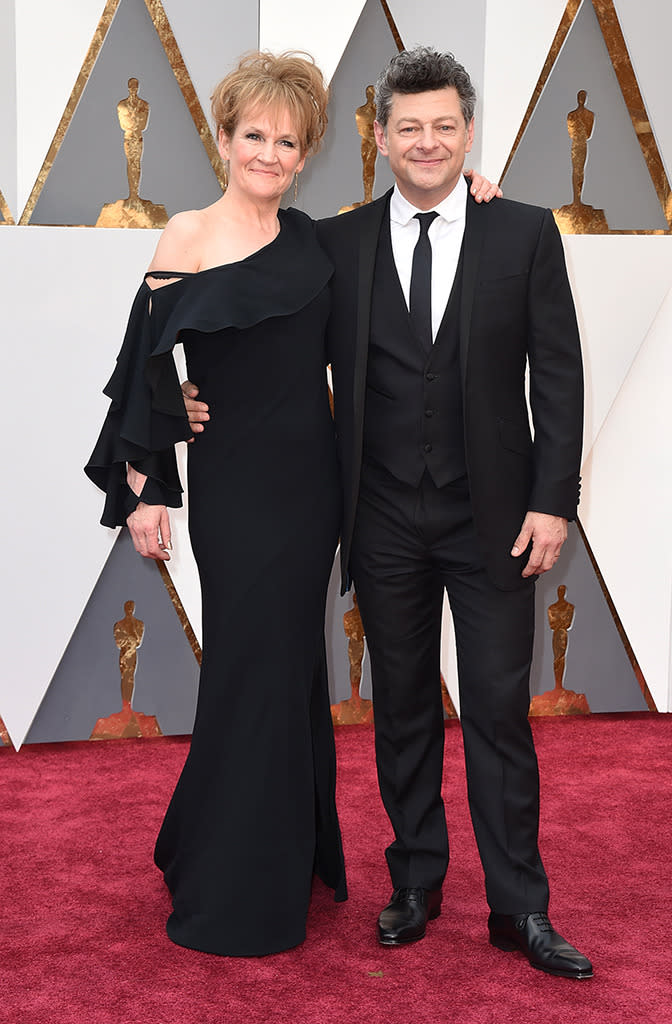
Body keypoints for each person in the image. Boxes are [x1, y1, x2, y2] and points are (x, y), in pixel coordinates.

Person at [185, 47, 591, 979]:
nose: (427, 140)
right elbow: (255, 327)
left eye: (444, 124)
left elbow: (558, 381)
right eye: (408, 125)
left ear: (468, 132)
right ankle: (414, 883)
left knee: (496, 711)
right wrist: (190, 401)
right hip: (378, 519)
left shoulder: (523, 232)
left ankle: (519, 909)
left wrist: (551, 503)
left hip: (495, 521)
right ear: (379, 138)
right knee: (401, 710)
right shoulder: (336, 243)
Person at [86, 52, 346, 957]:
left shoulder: (319, 242)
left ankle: (274, 850)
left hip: (309, 486)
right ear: (224, 138)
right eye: (254, 136)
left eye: (287, 141)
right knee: (249, 666)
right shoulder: (187, 237)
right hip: (234, 487)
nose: (268, 154)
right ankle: (235, 875)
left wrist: (477, 186)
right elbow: (145, 377)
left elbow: (411, 237)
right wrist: (148, 488)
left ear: (304, 153)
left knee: (284, 667)